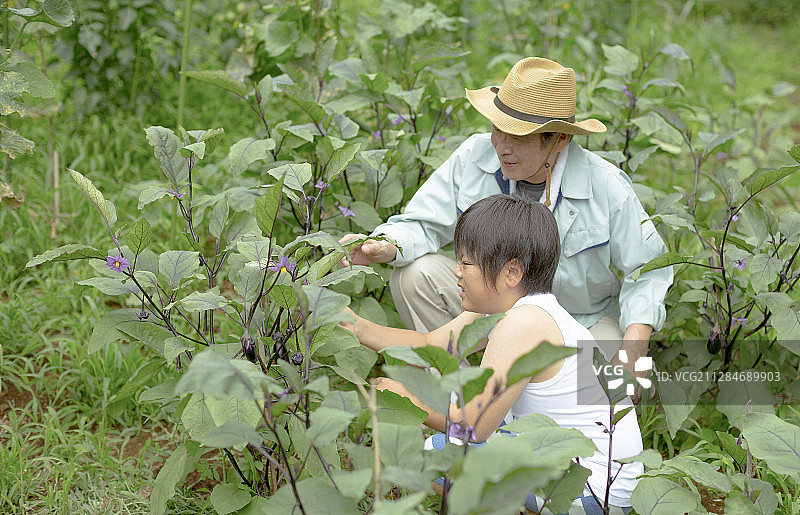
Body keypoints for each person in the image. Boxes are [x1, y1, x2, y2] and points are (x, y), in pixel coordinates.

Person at [341, 57, 673, 396]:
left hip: (580, 320)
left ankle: (514, 404)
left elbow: (647, 270)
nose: (501, 145)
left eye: (518, 136)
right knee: (415, 274)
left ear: (559, 139)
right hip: (492, 302)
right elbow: (421, 223)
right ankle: (455, 397)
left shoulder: (606, 185)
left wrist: (634, 347)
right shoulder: (474, 154)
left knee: (605, 395)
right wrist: (384, 244)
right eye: (497, 128)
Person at [341, 195, 643, 513]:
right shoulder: (524, 309)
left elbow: (473, 426)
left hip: (593, 492)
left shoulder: (523, 322)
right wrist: (356, 327)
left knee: (436, 454)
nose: (456, 272)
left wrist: (405, 401)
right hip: (604, 478)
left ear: (512, 272)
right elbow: (431, 343)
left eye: (466, 263)